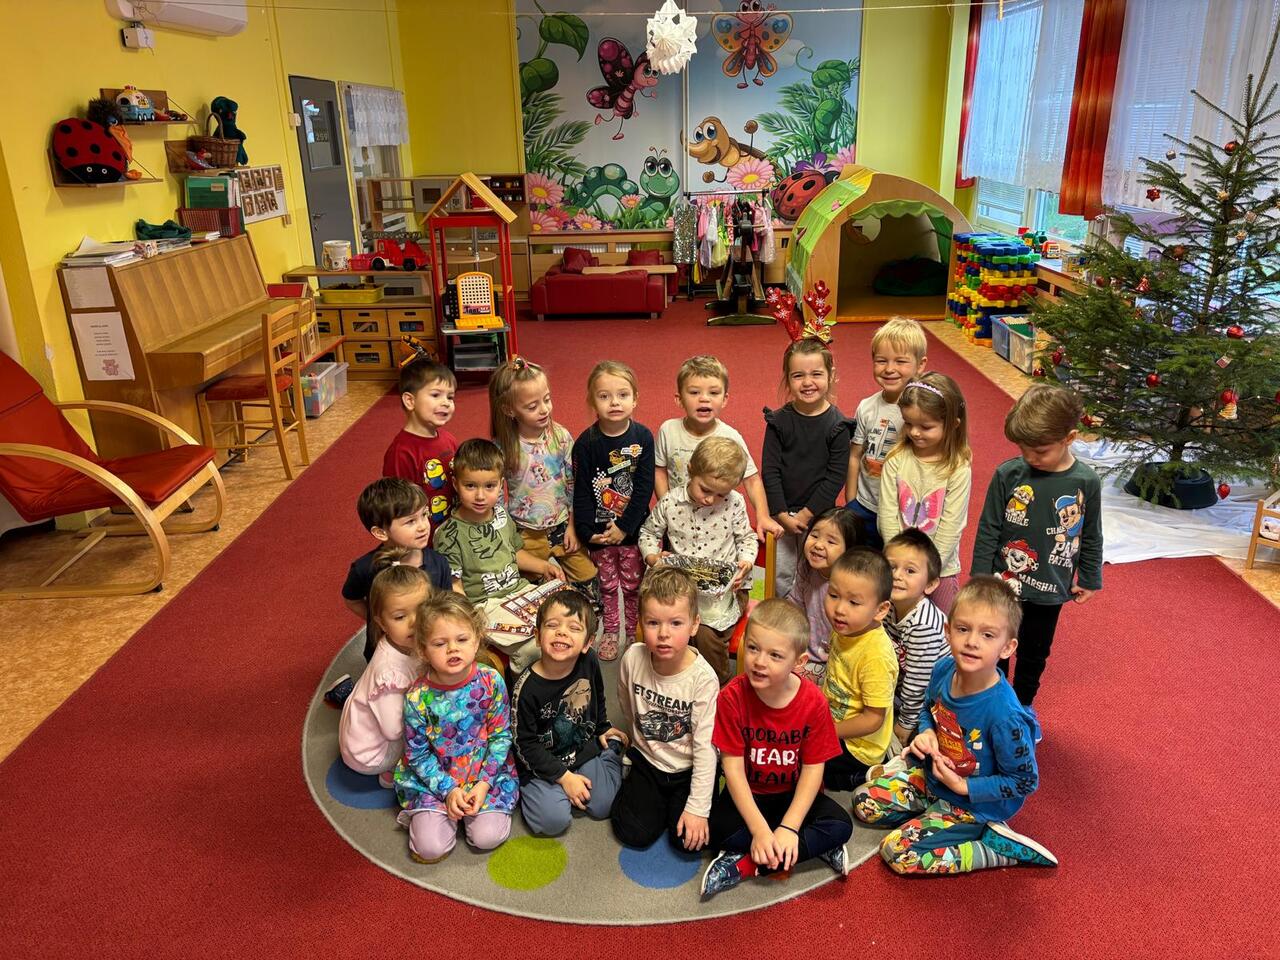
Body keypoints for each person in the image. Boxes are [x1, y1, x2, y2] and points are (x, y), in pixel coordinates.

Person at [852, 577, 1056, 875]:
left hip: (973, 804)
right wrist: (926, 732)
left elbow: (1024, 781)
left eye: (988, 635)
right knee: (863, 802)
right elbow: (928, 708)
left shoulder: (1005, 715)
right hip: (934, 779)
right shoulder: (943, 669)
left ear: (1007, 647)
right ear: (948, 631)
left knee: (898, 852)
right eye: (963, 629)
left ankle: (994, 848)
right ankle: (932, 812)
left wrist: (963, 786)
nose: (972, 641)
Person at [700, 598, 853, 898]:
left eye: (775, 655)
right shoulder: (731, 697)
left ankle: (748, 863)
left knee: (840, 825)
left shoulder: (814, 702)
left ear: (799, 662)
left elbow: (813, 770)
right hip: (749, 794)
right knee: (713, 829)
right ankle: (799, 849)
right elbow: (732, 770)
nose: (759, 661)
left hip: (793, 794)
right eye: (753, 648)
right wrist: (759, 829)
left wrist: (790, 828)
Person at [971, 383, 1103, 705]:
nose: (1031, 458)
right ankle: (994, 704)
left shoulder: (1086, 482)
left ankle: (1023, 706)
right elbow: (989, 527)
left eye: (1040, 451)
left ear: (1069, 438)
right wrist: (981, 577)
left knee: (1034, 653)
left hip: (1050, 587)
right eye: (1024, 449)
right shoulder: (1008, 474)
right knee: (995, 647)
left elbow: (1091, 533)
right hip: (1003, 584)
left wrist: (1089, 577)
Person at [393, 592, 518, 864]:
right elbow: (417, 754)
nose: (452, 649)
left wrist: (484, 784)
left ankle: (467, 813)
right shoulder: (416, 697)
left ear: (477, 640)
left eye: (462, 639)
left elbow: (501, 735)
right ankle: (434, 815)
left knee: (487, 838)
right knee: (430, 848)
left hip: (484, 773)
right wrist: (448, 790)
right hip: (435, 780)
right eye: (440, 643)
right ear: (423, 650)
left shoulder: (491, 680)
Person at [432, 439, 566, 674]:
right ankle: (520, 685)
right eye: (470, 486)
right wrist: (469, 622)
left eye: (489, 486)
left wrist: (544, 567)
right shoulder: (448, 534)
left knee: (566, 620)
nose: (480, 495)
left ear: (501, 484)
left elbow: (514, 553)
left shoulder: (501, 515)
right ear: (455, 484)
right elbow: (455, 587)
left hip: (520, 591)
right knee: (535, 647)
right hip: (484, 605)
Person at [611, 567, 719, 854]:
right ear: (640, 622)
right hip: (648, 760)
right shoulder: (632, 658)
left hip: (687, 767)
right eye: (653, 623)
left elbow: (705, 746)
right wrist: (638, 743)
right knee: (632, 833)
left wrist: (697, 808)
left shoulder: (704, 679)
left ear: (694, 625)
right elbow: (626, 702)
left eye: (676, 623)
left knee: (689, 842)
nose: (663, 634)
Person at [639, 436, 758, 685]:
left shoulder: (734, 502)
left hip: (726, 592)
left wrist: (746, 563)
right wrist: (652, 555)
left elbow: (747, 538)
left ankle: (717, 683)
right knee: (666, 624)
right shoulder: (670, 502)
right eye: (705, 490)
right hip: (681, 587)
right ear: (691, 470)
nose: (710, 500)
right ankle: (674, 675)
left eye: (721, 494)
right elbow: (648, 533)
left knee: (704, 634)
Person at [510, 590, 627, 836]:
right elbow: (524, 744)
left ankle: (611, 752)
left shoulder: (589, 660)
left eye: (574, 628)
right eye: (552, 625)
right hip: (540, 764)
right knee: (552, 821)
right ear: (537, 636)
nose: (562, 632)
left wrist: (603, 726)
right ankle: (559, 788)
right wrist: (564, 777)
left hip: (580, 748)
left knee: (604, 805)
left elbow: (597, 695)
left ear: (587, 643)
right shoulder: (526, 688)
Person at [489, 356, 600, 611]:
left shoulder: (561, 437)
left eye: (547, 399)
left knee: (591, 586)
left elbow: (574, 482)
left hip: (563, 525)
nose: (544, 409)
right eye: (532, 406)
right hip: (525, 531)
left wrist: (573, 525)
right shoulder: (503, 447)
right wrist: (507, 534)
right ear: (509, 410)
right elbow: (497, 497)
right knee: (531, 599)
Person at [572, 361, 655, 660]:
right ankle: (611, 630)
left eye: (622, 395)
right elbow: (581, 491)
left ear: (635, 399)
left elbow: (644, 488)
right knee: (606, 586)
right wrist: (586, 532)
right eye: (604, 396)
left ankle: (633, 632)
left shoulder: (643, 437)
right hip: (600, 534)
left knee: (633, 586)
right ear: (592, 401)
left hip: (632, 531)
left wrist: (626, 527)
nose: (615, 402)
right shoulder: (585, 443)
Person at [654, 355, 783, 541]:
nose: (704, 399)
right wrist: (667, 506)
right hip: (679, 521)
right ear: (679, 399)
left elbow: (752, 479)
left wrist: (763, 516)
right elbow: (660, 471)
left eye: (714, 393)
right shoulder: (668, 430)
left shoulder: (730, 436)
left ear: (724, 399)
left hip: (717, 521)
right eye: (694, 392)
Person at [761, 337, 849, 597]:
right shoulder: (778, 422)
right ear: (788, 380)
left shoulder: (838, 425)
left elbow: (835, 478)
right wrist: (781, 514)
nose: (807, 382)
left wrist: (806, 515)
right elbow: (770, 471)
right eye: (798, 375)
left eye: (816, 374)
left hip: (819, 516)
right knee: (779, 574)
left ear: (830, 375)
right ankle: (780, 614)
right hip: (782, 515)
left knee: (816, 572)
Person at [877, 372, 972, 613]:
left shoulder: (958, 468)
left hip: (939, 570)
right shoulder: (896, 460)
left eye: (926, 427)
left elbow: (951, 527)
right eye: (908, 423)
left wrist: (925, 573)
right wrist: (900, 566)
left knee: (942, 627)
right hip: (897, 570)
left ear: (953, 425)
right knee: (892, 624)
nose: (915, 432)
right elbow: (887, 517)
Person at [339, 549, 430, 786]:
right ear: (381, 622)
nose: (414, 622)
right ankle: (394, 773)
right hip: (371, 755)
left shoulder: (402, 643)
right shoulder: (390, 673)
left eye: (421, 610)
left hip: (365, 726)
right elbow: (393, 731)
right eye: (400, 617)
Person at [341, 477, 455, 663]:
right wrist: (385, 622)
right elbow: (351, 600)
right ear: (381, 532)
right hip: (386, 657)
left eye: (424, 515)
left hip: (429, 651)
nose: (423, 526)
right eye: (410, 521)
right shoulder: (365, 568)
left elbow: (446, 607)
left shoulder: (439, 563)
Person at [845, 317, 929, 549]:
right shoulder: (867, 407)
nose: (889, 369)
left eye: (900, 361)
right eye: (881, 361)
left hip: (904, 512)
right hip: (866, 505)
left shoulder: (924, 413)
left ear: (920, 364)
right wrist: (851, 501)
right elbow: (855, 455)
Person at [820, 548, 898, 792]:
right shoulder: (847, 627)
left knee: (799, 759)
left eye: (854, 602)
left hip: (859, 747)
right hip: (833, 719)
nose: (840, 609)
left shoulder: (876, 656)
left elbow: (873, 719)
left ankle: (863, 776)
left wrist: (826, 732)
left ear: (880, 610)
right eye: (833, 595)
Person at [883, 528, 949, 747]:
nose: (897, 575)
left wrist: (905, 724)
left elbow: (918, 684)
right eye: (891, 567)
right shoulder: (889, 605)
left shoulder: (923, 625)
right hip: (903, 689)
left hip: (933, 701)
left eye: (910, 570)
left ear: (930, 585)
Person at [786, 507, 862, 686]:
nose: (819, 545)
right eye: (814, 535)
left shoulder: (852, 585)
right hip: (805, 653)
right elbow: (795, 608)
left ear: (849, 551)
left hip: (839, 662)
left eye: (831, 541)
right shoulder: (806, 568)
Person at [381, 358, 459, 532]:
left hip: (453, 532)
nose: (446, 402)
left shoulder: (449, 440)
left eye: (450, 397)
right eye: (435, 395)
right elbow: (397, 506)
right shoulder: (401, 453)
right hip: (422, 538)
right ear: (410, 401)